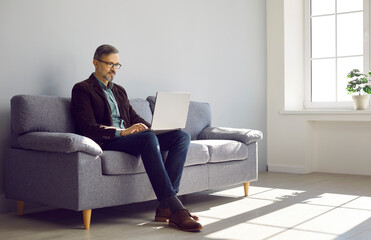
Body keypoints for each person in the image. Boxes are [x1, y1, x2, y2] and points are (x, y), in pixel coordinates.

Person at [71, 44, 202, 232]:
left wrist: (156, 128)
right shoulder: (83, 89)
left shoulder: (119, 91)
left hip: (132, 138)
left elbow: (133, 118)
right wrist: (121, 132)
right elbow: (87, 127)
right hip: (109, 140)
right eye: (109, 64)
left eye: (117, 65)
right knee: (148, 139)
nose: (114, 69)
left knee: (180, 137)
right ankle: (176, 209)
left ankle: (165, 208)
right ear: (95, 63)